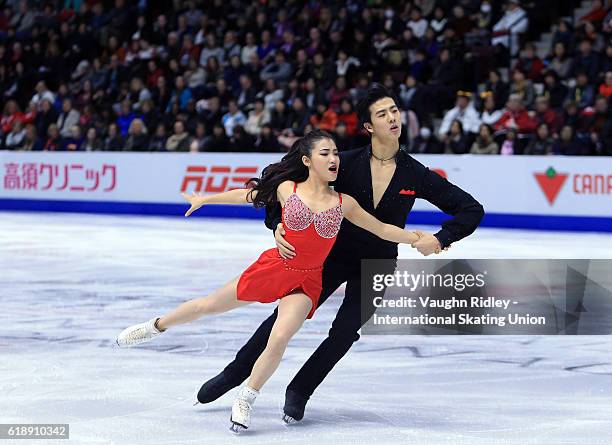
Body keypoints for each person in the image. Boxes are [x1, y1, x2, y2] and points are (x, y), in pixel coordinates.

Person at [196, 84, 485, 423]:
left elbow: (471, 209)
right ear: (368, 127)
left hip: (378, 262)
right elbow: (281, 190)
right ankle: (235, 372)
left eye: (394, 110)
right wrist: (277, 225)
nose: (392, 117)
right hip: (331, 255)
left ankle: (300, 389)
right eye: (382, 114)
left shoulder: (415, 173)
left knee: (346, 331)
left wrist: (439, 239)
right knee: (286, 317)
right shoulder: (342, 163)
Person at [116, 129, 423, 432]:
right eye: (325, 153)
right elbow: (247, 195)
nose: (334, 159)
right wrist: (205, 199)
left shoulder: (345, 203)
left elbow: (383, 230)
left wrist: (420, 239)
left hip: (306, 282)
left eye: (335, 153)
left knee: (279, 338)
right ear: (306, 160)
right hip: (275, 267)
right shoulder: (288, 188)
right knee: (208, 305)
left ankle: (247, 397)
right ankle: (154, 327)